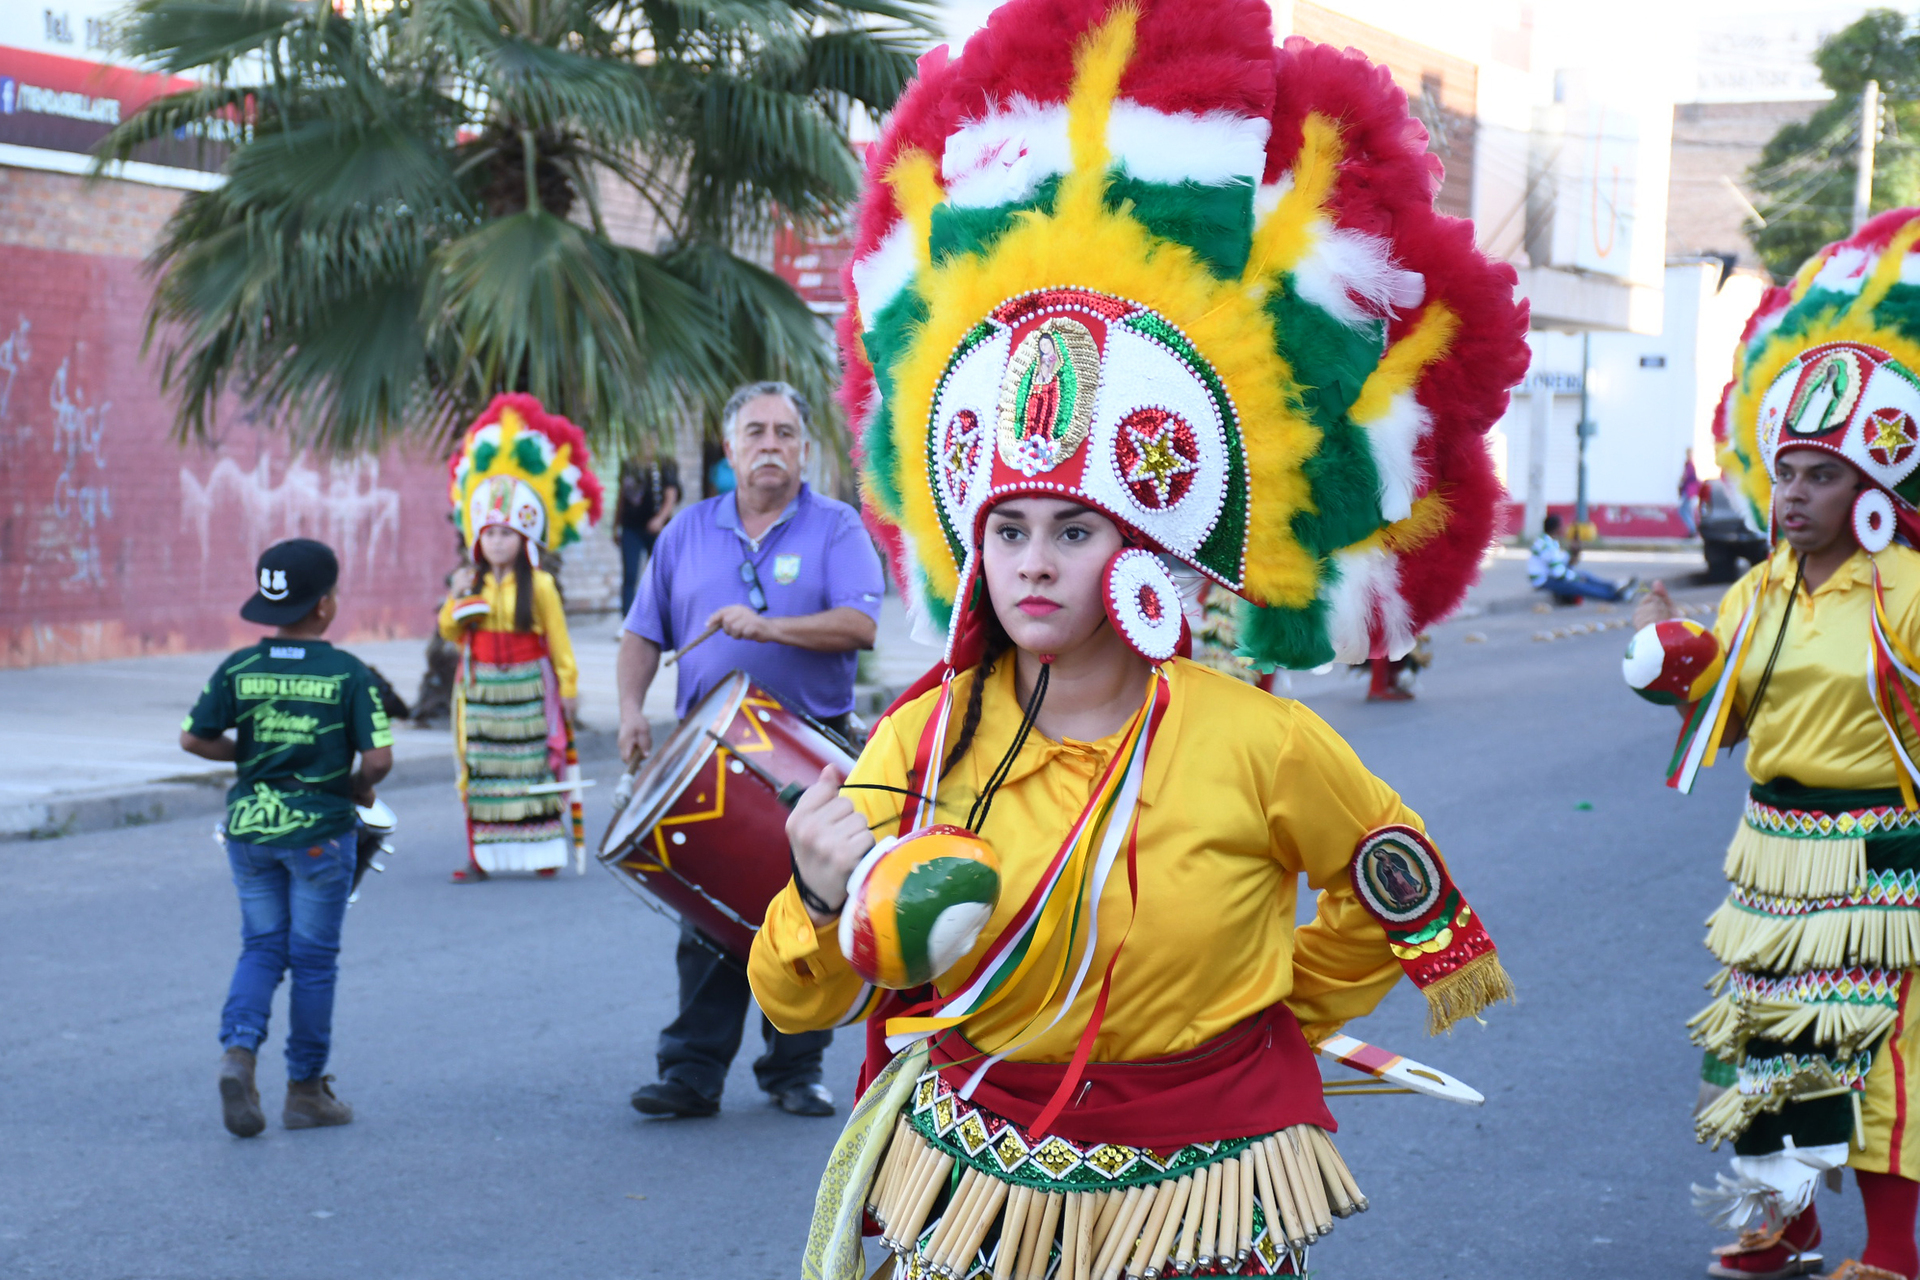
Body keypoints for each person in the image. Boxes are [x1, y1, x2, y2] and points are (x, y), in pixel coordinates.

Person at [744, 3, 1530, 1276]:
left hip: (1204, 1190)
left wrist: (1263, 1012)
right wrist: (822, 889)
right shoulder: (923, 738)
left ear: (1149, 552)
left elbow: (1399, 894)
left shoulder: (1257, 741)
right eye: (1009, 531)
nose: (1035, 561)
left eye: (1075, 527)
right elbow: (804, 995)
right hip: (973, 1183)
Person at [1632, 209, 1920, 1280]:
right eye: (1785, 472)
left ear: (1873, 490)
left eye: (1820, 475)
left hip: (1887, 851)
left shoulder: (1912, 593)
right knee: (1774, 1043)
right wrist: (1674, 671)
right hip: (1773, 849)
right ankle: (1784, 1224)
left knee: (1883, 1051)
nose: (1793, 495)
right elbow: (1727, 718)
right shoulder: (1758, 588)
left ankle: (1891, 1250)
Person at [617, 379, 886, 1120]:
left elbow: (860, 628)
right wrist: (631, 710)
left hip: (811, 751)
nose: (771, 446)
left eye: (786, 433)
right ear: (730, 449)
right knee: (709, 912)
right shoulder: (684, 533)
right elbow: (644, 632)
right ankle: (692, 1072)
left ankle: (794, 1070)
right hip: (704, 752)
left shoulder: (836, 528)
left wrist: (770, 630)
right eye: (756, 433)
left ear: (804, 447)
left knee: (808, 906)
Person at [180, 538, 393, 1137]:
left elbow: (194, 740)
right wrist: (351, 787)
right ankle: (305, 1090)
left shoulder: (238, 669)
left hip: (249, 831)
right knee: (314, 961)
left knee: (261, 947)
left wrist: (249, 759)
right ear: (325, 605)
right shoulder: (348, 674)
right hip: (320, 834)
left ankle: (238, 1054)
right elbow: (379, 762)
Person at [441, 393, 603, 882]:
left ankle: (540, 853)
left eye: (506, 534)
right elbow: (450, 632)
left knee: (532, 769)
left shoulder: (544, 586)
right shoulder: (470, 582)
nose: (497, 542)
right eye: (489, 533)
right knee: (484, 770)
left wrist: (569, 689)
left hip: (530, 689)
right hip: (481, 689)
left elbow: (559, 642)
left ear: (524, 538)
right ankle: (483, 857)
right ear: (477, 538)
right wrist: (457, 601)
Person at [614, 452, 681, 618]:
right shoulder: (628, 464)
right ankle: (627, 621)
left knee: (659, 576)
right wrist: (616, 525)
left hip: (656, 530)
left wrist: (659, 519)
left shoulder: (665, 463)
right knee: (630, 574)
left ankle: (660, 619)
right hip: (631, 528)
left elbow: (671, 496)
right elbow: (621, 495)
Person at [1530, 513, 1637, 603]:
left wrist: (1573, 552)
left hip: (1552, 576)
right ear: (1556, 528)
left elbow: (1562, 561)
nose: (1565, 528)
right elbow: (1558, 573)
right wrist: (1576, 577)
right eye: (1562, 526)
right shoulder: (1546, 546)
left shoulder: (1549, 542)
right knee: (1579, 585)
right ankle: (1615, 596)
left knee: (1586, 575)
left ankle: (1615, 587)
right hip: (1544, 581)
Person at [1681, 453, 1703, 537]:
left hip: (1689, 491)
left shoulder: (1689, 465)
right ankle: (1692, 529)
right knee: (1687, 510)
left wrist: (1684, 477)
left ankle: (1692, 529)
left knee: (1683, 510)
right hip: (1689, 491)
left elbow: (1691, 478)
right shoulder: (1689, 465)